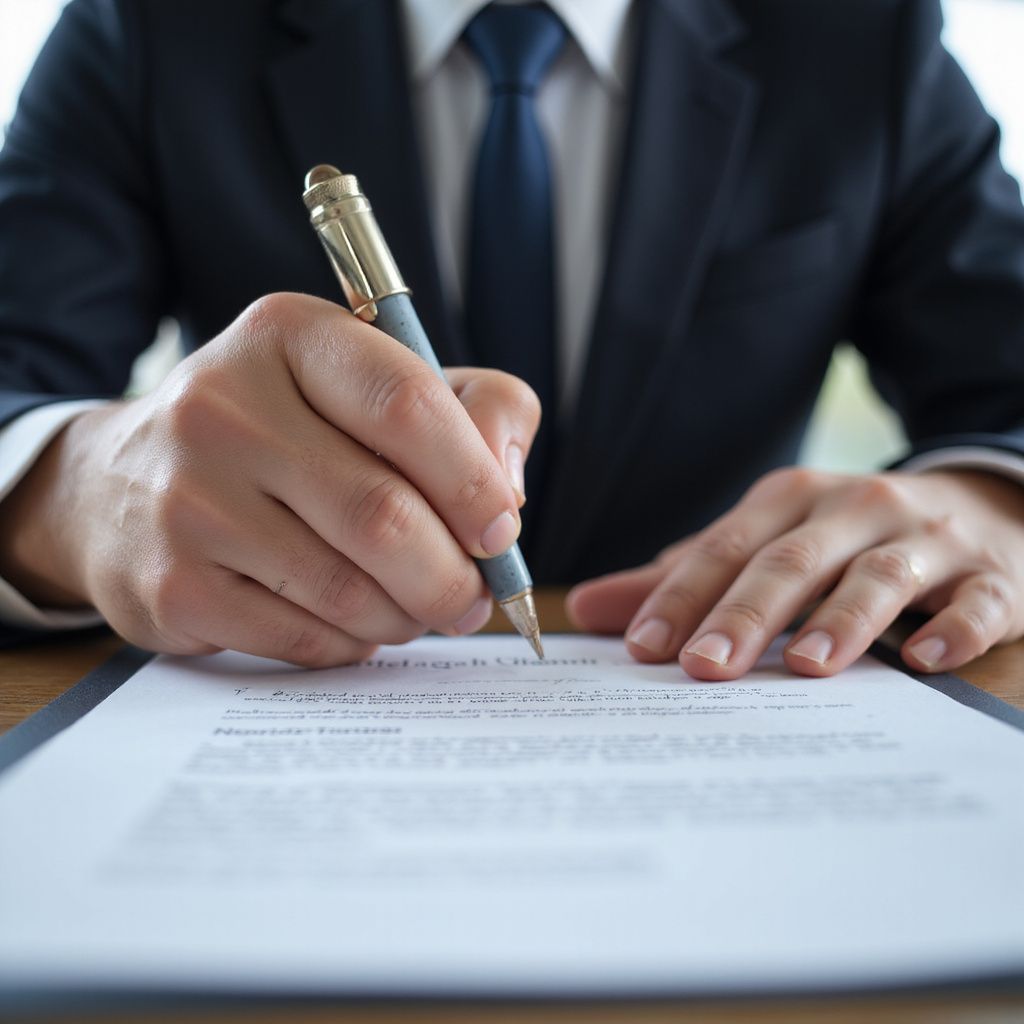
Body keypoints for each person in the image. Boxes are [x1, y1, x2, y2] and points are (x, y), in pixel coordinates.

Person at [1, 0, 1023, 681]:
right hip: (294, 705)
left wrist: (989, 503)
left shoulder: (859, 32)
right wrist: (80, 486)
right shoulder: (152, 25)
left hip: (715, 678)